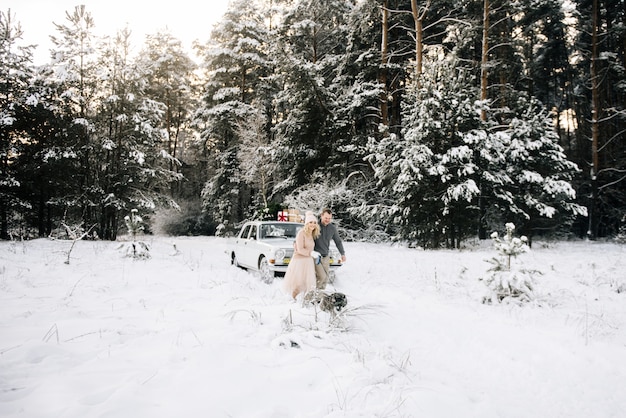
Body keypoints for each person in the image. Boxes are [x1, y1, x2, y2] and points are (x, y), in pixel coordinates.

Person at [282, 211, 321, 300]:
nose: (313, 224)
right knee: (298, 283)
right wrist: (311, 253)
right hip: (299, 261)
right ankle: (294, 300)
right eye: (310, 222)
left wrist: (315, 254)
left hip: (308, 261)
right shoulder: (301, 233)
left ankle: (306, 301)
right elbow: (300, 249)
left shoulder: (312, 234)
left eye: (314, 222)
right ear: (306, 223)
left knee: (308, 284)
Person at [314, 208, 346, 289]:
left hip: (326, 256)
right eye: (326, 218)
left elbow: (338, 241)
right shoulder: (315, 226)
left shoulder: (332, 228)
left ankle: (320, 296)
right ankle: (314, 295)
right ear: (321, 216)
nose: (327, 220)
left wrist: (342, 253)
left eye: (329, 218)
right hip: (316, 256)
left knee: (325, 279)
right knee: (321, 276)